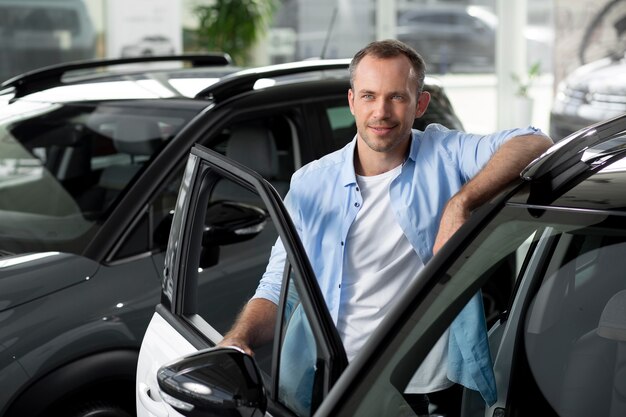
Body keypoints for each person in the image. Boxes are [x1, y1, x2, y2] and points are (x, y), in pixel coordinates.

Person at [220, 39, 553, 415]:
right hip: (336, 379)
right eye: (369, 96)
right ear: (352, 101)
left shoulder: (446, 154)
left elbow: (535, 142)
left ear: (420, 104)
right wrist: (238, 339)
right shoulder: (310, 184)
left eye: (396, 97)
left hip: (426, 388)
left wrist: (461, 203)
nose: (381, 112)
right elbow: (280, 287)